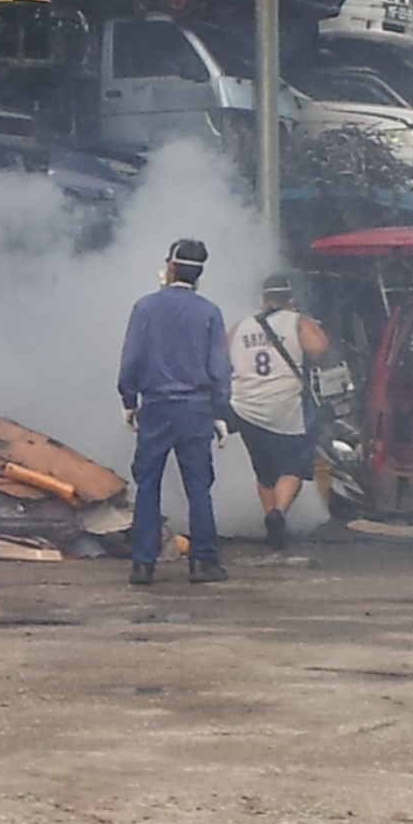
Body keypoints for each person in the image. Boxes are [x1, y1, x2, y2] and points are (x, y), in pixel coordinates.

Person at [119, 236, 230, 587]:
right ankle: (203, 562)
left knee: (148, 485)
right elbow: (219, 369)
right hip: (196, 409)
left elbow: (131, 361)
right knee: (198, 487)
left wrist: (128, 401)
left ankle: (143, 565)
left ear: (170, 267)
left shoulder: (145, 308)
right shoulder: (210, 312)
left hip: (155, 408)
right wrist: (220, 412)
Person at [227, 271, 332, 549]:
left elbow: (222, 358)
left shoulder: (240, 326)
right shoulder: (299, 321)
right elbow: (319, 348)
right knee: (294, 464)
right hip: (286, 405)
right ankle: (279, 512)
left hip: (246, 408)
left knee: (264, 470)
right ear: (291, 299)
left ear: (263, 299)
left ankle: (271, 520)